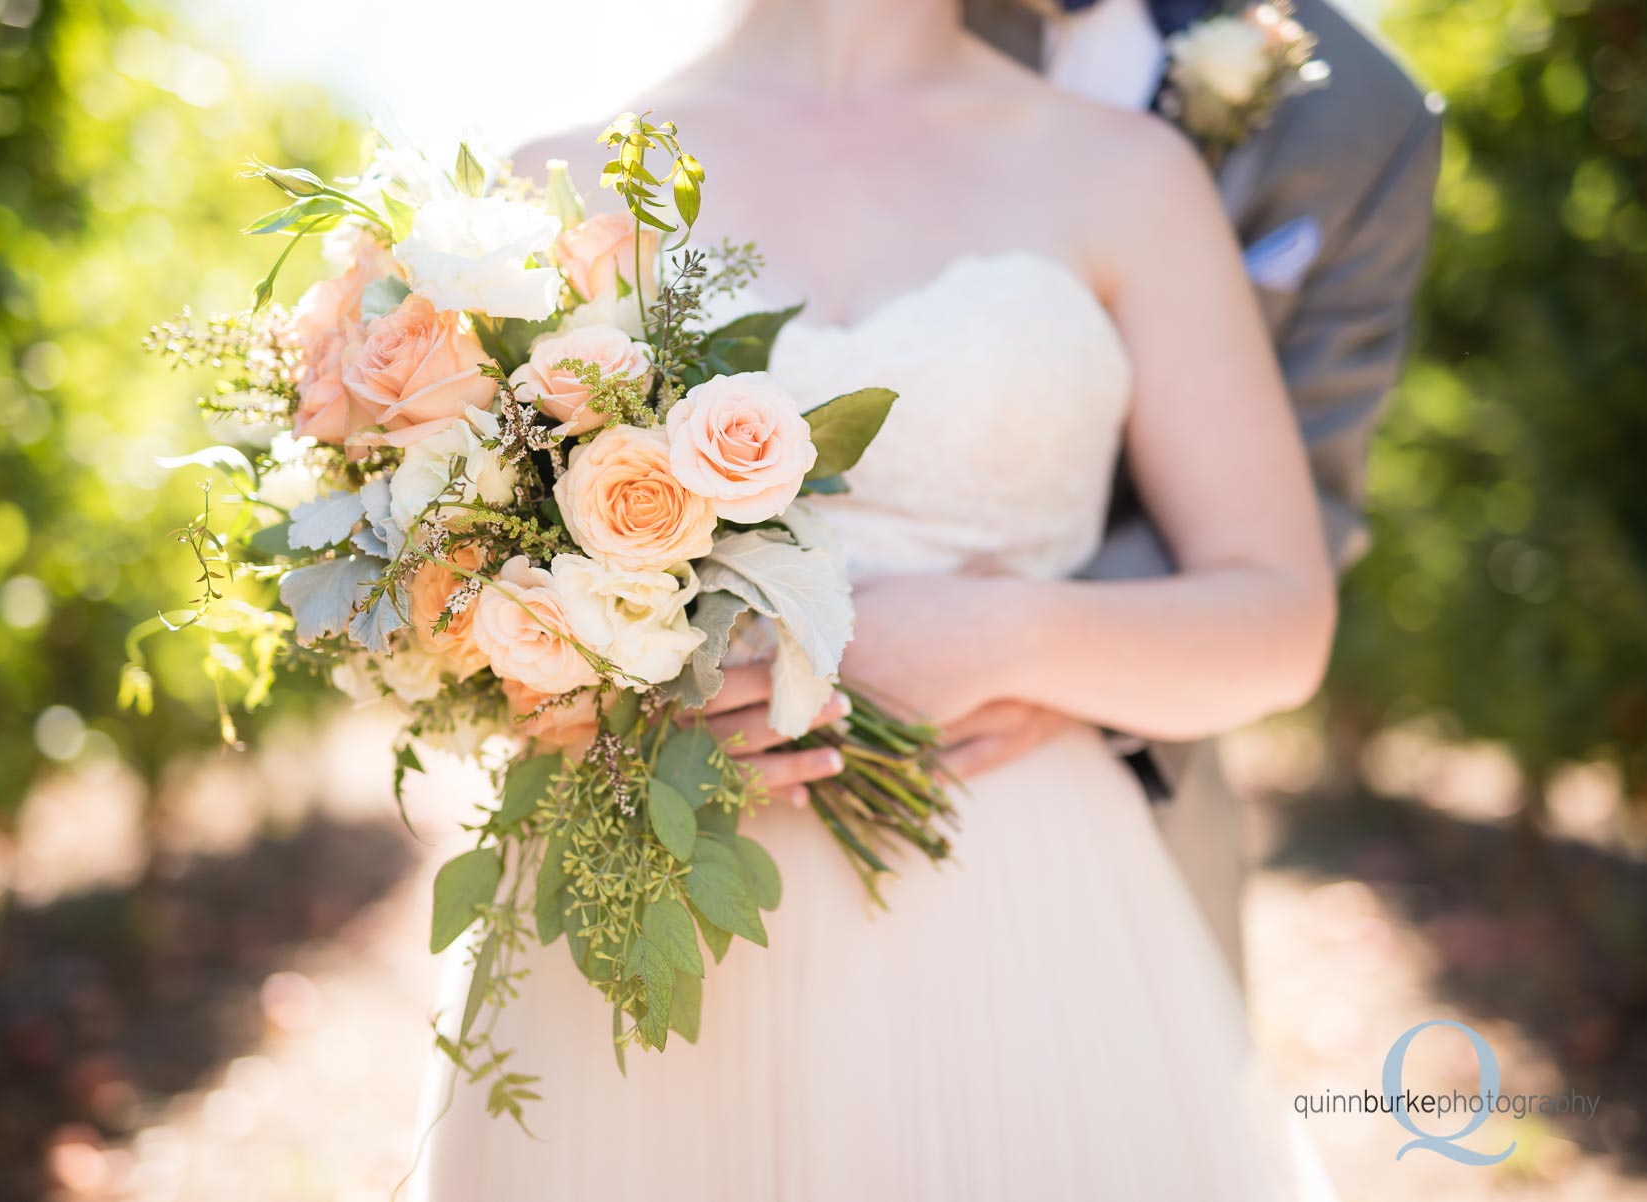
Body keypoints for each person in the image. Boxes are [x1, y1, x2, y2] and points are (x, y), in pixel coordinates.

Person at [415, 0, 1342, 1195]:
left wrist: (998, 635)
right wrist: (622, 719)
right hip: (649, 895)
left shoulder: (1130, 177)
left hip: (1013, 897)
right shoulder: (552, 181)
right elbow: (446, 606)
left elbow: (1280, 618)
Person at [960, 0, 1442, 975]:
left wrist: (1036, 649)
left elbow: (1310, 490)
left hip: (1119, 762)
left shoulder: (1366, 116)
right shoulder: (875, 24)